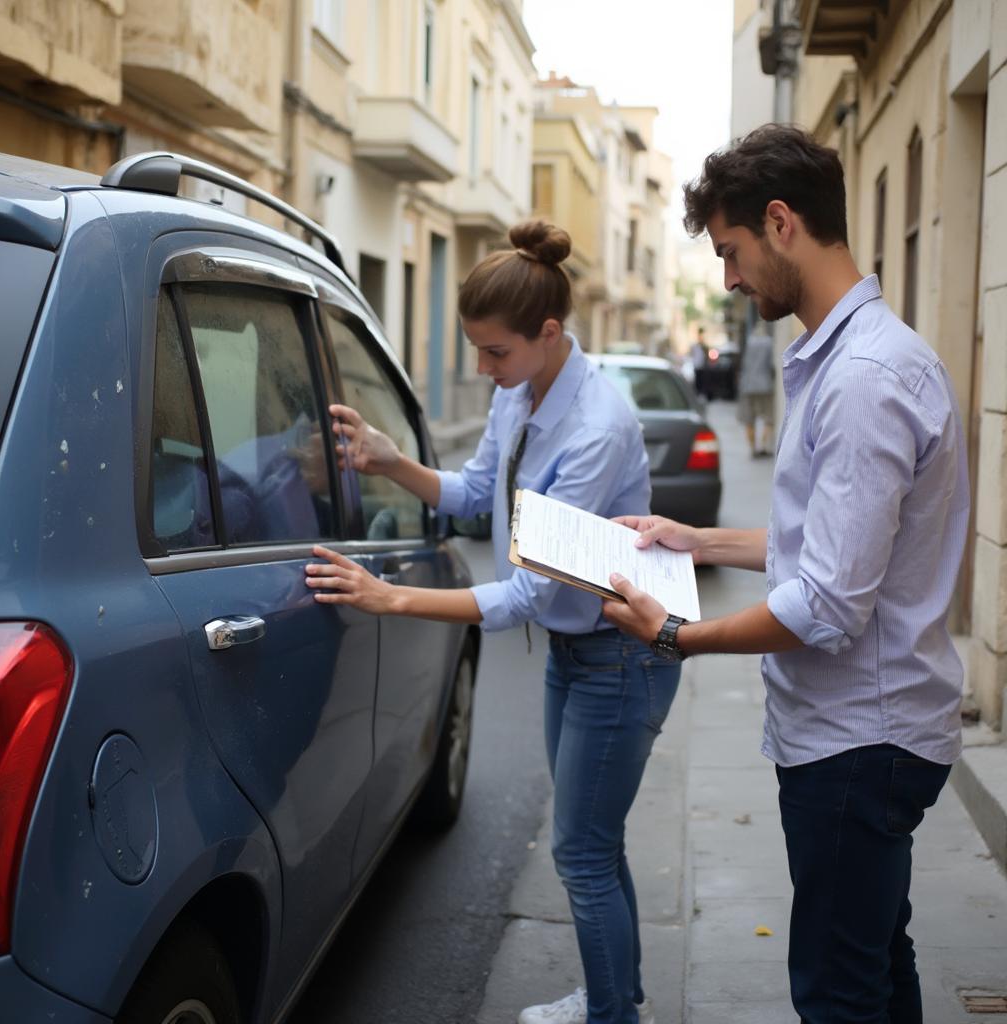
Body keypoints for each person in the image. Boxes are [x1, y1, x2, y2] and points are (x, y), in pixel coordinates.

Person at [601, 125, 968, 1024]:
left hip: (857, 739)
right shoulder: (854, 359)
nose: (727, 278)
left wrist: (676, 635)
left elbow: (831, 600)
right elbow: (828, 545)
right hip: (869, 732)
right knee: (879, 961)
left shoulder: (863, 379)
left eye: (730, 252)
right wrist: (695, 540)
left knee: (839, 993)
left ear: (780, 222)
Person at [305, 221, 679, 1024]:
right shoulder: (525, 392)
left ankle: (613, 1015)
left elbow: (526, 598)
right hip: (579, 653)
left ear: (548, 334)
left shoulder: (596, 430)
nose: (483, 370)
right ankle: (617, 999)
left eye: (495, 352)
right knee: (594, 844)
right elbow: (477, 492)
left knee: (580, 850)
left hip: (623, 657)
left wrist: (389, 597)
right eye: (475, 351)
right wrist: (388, 459)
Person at [737, 329, 775, 456]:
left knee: (749, 419)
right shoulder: (769, 342)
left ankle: (753, 449)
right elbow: (771, 363)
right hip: (765, 384)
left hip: (748, 385)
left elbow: (743, 364)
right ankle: (764, 446)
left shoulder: (748, 342)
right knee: (769, 418)